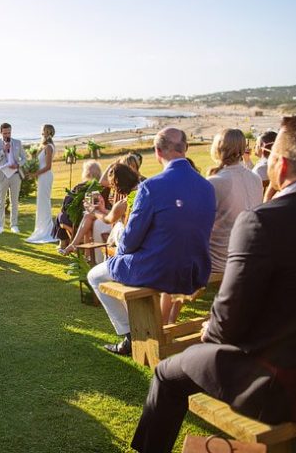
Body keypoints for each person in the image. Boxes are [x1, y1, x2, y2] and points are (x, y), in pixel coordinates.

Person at [131, 116, 296, 453]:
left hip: (286, 389)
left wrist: (211, 329)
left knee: (166, 372)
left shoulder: (262, 222)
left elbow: (226, 327)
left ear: (280, 166)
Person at [86, 128, 216, 356]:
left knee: (94, 276)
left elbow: (128, 243)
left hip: (160, 270)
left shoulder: (151, 187)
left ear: (157, 152)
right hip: (196, 269)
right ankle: (136, 332)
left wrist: (122, 246)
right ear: (185, 148)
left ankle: (129, 334)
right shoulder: (207, 187)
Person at [206, 129, 264, 274]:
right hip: (250, 253)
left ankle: (168, 295)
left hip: (221, 260)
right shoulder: (255, 178)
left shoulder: (216, 182)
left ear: (217, 148)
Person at [61, 163, 140, 260]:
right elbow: (118, 215)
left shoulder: (123, 203)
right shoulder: (142, 191)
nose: (113, 188)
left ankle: (88, 254)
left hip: (128, 240)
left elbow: (108, 220)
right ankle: (78, 247)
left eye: (113, 185)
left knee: (91, 216)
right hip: (140, 235)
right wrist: (102, 210)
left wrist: (94, 211)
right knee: (90, 216)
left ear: (118, 183)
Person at [53, 160, 102, 249]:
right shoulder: (102, 188)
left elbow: (65, 206)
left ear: (86, 173)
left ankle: (63, 242)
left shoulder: (79, 187)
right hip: (97, 217)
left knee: (60, 215)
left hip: (79, 221)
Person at [0, 122, 27, 234]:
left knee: (14, 201)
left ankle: (14, 225)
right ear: (1, 132)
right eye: (5, 133)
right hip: (1, 176)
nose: (7, 135)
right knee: (0, 202)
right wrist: (2, 151)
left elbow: (24, 158)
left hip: (15, 175)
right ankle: (0, 226)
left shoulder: (17, 143)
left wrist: (18, 164)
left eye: (9, 132)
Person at [26, 124, 57, 243]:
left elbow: (48, 166)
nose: (41, 133)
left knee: (44, 202)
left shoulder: (49, 147)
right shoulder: (45, 147)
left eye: (43, 131)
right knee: (41, 202)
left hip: (45, 176)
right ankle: (41, 228)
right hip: (42, 177)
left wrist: (35, 174)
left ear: (47, 132)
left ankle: (46, 229)